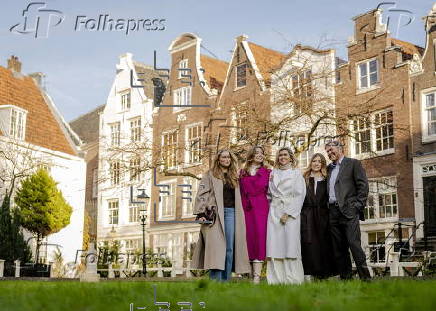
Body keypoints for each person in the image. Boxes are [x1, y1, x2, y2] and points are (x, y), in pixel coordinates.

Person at [191, 149, 250, 281]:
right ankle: (215, 280)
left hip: (231, 214)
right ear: (218, 159)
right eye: (223, 157)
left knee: (229, 248)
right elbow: (201, 194)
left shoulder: (235, 176)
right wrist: (201, 212)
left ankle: (225, 279)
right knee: (217, 249)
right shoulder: (210, 175)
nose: (226, 160)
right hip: (215, 215)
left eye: (228, 157)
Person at [325, 140, 371, 280]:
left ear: (340, 149)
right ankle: (346, 279)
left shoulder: (353, 164)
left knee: (354, 244)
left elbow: (363, 186)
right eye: (327, 151)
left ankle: (365, 278)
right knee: (339, 248)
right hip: (332, 212)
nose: (329, 153)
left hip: (349, 210)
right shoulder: (328, 169)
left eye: (331, 149)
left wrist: (357, 206)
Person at [266, 147, 306, 284]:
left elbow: (300, 195)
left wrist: (288, 213)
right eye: (280, 155)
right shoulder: (273, 173)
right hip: (274, 212)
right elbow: (269, 194)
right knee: (275, 246)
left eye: (285, 155)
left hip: (290, 213)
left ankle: (293, 279)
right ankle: (276, 279)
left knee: (290, 245)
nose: (282, 157)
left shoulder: (296, 173)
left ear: (290, 157)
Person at [301, 153, 337, 280]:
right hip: (307, 214)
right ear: (310, 163)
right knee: (309, 243)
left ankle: (323, 274)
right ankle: (309, 273)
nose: (316, 163)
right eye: (314, 161)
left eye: (319, 161)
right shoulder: (303, 178)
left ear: (322, 164)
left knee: (323, 243)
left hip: (323, 215)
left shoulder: (326, 179)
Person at [239, 146, 271, 284]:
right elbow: (239, 191)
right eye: (257, 153)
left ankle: (257, 277)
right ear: (251, 155)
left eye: (262, 153)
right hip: (245, 208)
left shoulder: (268, 172)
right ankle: (250, 274)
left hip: (261, 207)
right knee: (247, 238)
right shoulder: (242, 173)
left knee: (259, 239)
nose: (260, 155)